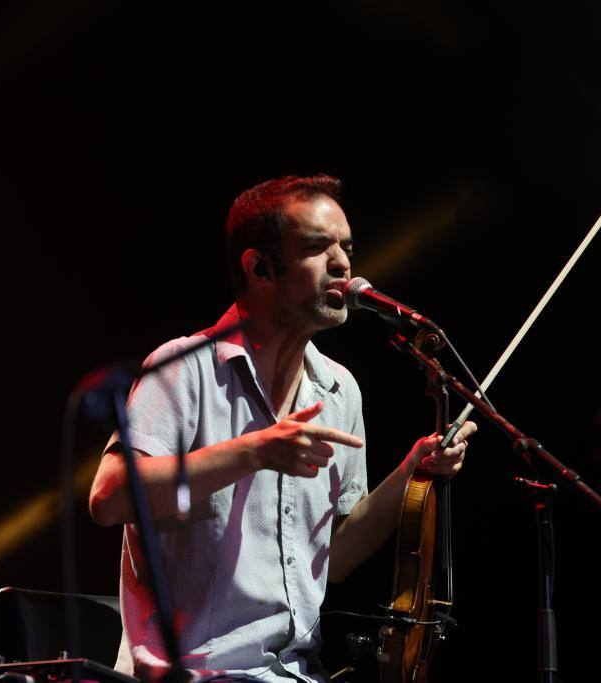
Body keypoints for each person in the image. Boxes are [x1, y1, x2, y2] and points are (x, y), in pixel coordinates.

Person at [88, 174, 477, 682]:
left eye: (347, 249)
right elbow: (109, 498)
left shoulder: (339, 390)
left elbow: (333, 559)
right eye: (318, 247)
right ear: (260, 267)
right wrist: (253, 451)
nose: (342, 264)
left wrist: (411, 472)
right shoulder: (185, 368)